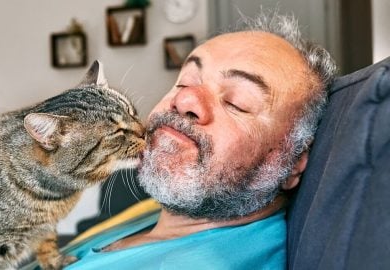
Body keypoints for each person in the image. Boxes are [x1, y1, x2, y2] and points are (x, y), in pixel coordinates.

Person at [26, 11, 337, 270]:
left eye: (237, 102)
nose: (184, 99)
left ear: (294, 162)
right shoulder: (156, 215)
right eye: (183, 81)